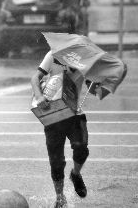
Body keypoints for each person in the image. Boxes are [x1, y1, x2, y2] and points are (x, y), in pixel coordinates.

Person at [31, 51, 94, 208]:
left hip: (75, 113)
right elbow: (35, 78)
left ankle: (76, 174)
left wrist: (95, 82)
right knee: (56, 161)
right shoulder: (53, 55)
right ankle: (60, 197)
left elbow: (93, 89)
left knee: (81, 148)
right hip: (53, 114)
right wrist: (39, 97)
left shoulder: (85, 59)